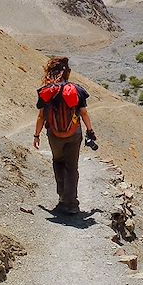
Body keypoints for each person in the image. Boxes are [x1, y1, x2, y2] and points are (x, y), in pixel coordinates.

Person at [33, 57, 95, 214]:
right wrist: (90, 131)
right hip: (74, 134)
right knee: (72, 167)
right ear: (67, 72)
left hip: (54, 135)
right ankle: (72, 204)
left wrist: (36, 135)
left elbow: (41, 116)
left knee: (58, 162)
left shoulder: (46, 92)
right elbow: (84, 113)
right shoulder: (76, 90)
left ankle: (62, 198)